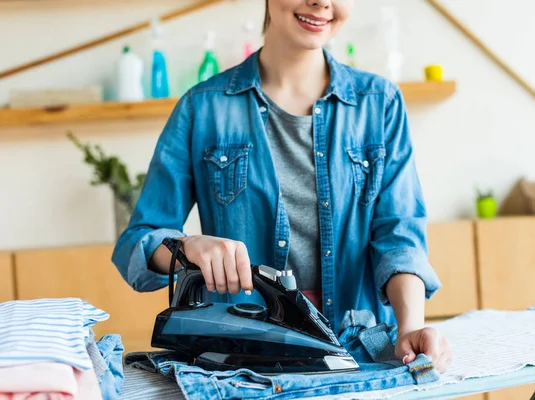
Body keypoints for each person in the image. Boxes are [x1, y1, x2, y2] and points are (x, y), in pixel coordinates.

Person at [112, 0, 452, 372]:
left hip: (362, 358)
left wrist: (411, 326)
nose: (322, 2)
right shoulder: (202, 108)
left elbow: (399, 238)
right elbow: (138, 240)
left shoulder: (380, 104)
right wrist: (185, 247)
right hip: (245, 366)